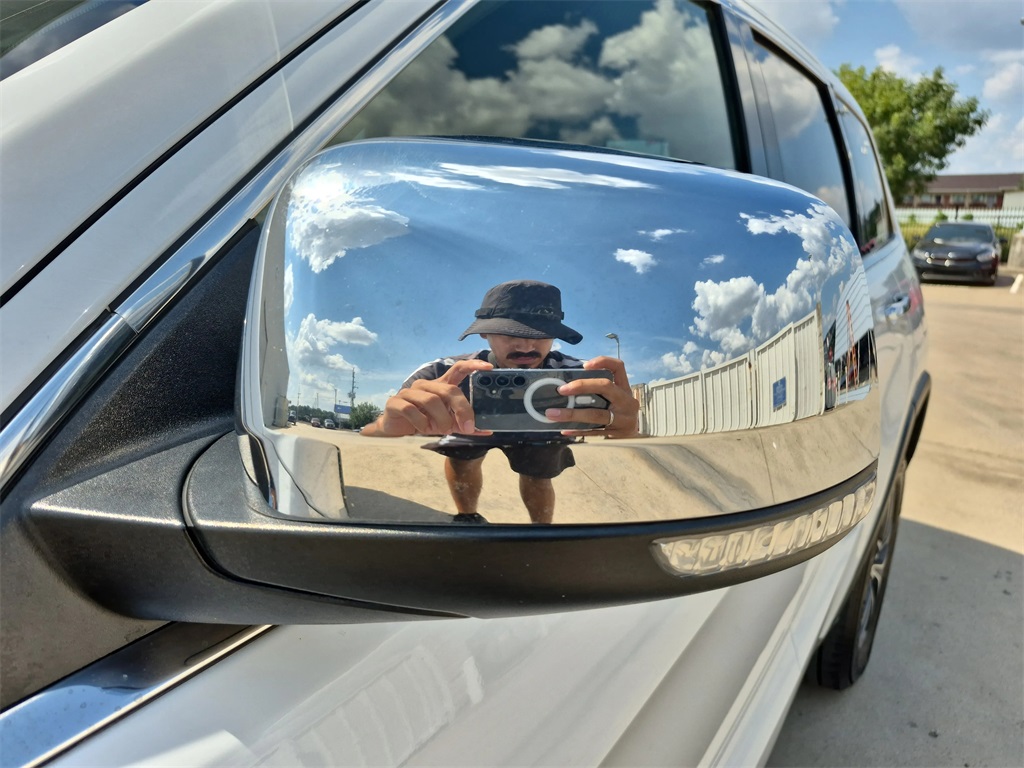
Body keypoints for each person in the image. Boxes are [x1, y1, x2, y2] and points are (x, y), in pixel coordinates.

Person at [361, 280, 639, 524]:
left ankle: (540, 534)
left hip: (538, 432)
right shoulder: (444, 374)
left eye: (540, 334)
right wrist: (388, 425)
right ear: (485, 333)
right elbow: (371, 432)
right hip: (472, 425)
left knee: (538, 475)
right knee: (463, 460)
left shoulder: (585, 377)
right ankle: (468, 517)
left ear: (554, 335)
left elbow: (627, 442)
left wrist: (627, 432)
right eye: (510, 333)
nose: (526, 346)